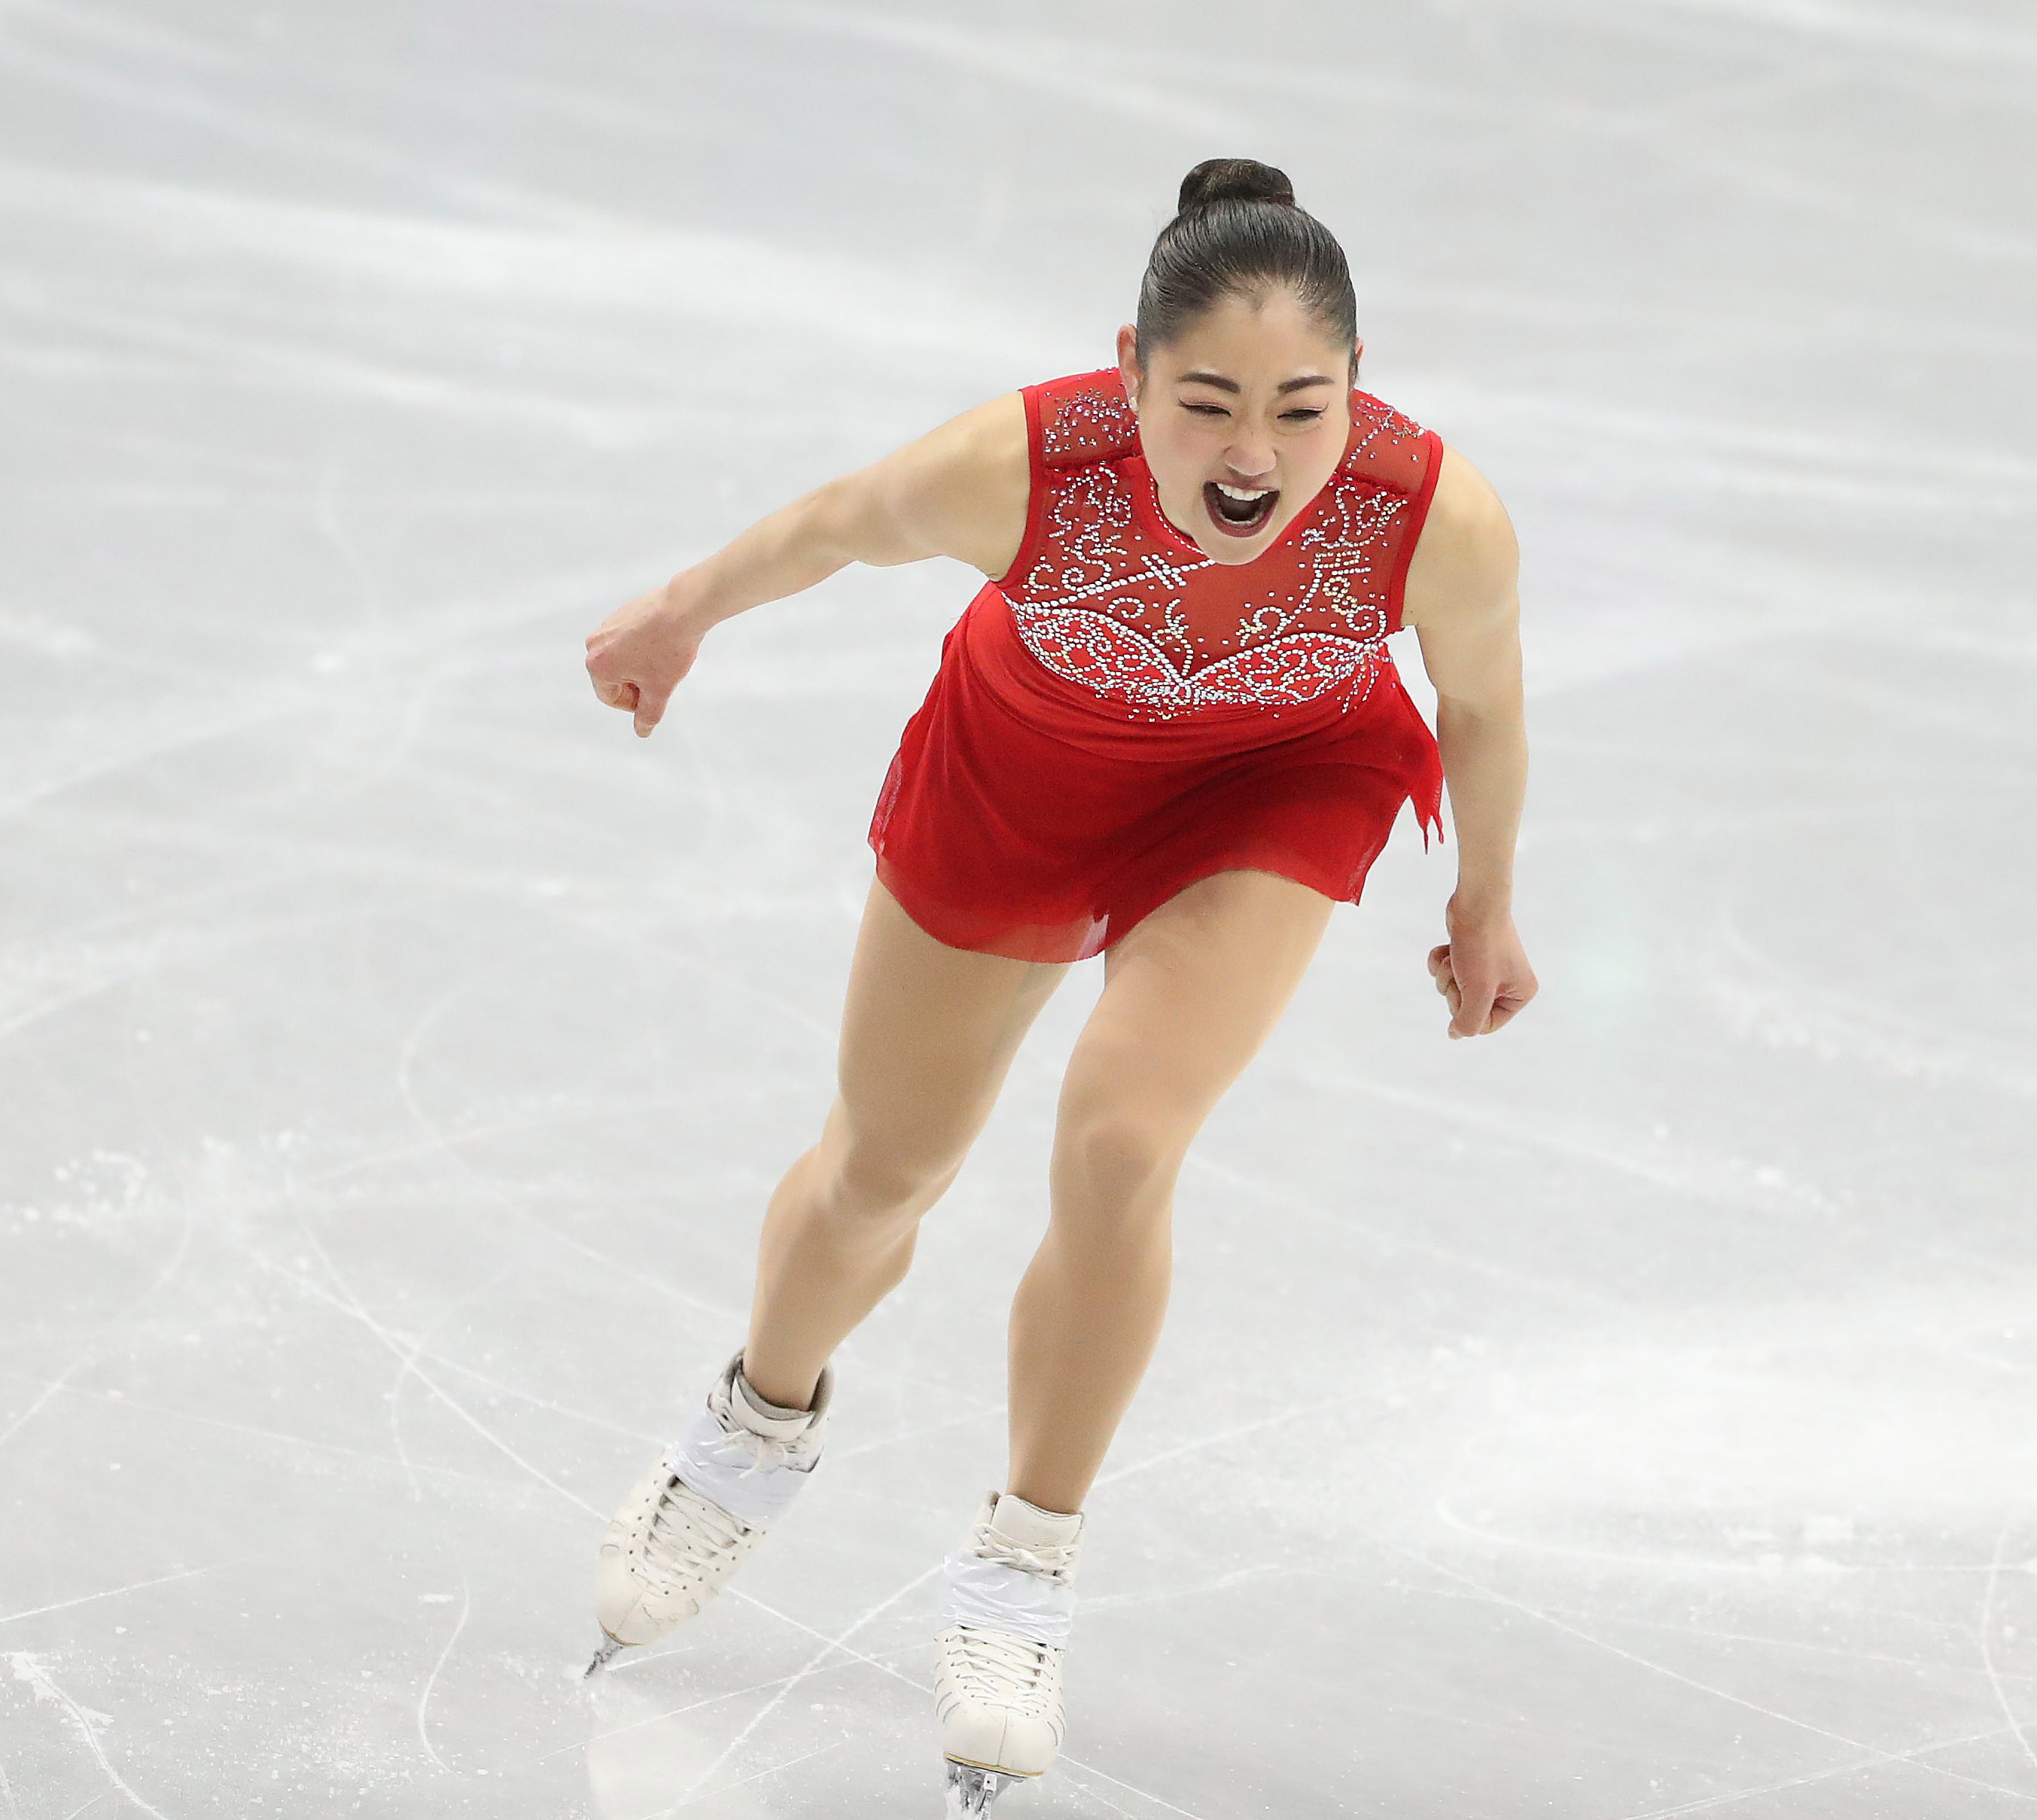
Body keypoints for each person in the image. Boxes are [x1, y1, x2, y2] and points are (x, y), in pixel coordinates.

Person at [577, 157, 1536, 1809]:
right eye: (1210, 403)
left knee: (1119, 1142)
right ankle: (756, 1424)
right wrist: (679, 614)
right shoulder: (1025, 465)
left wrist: (1489, 903)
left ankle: (1020, 1572)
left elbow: (1486, 704)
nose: (1254, 456)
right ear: (1131, 373)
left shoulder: (1430, 514)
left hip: (1272, 786)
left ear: (1357, 398)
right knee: (883, 1175)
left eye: (1303, 411)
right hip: (1015, 783)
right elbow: (830, 527)